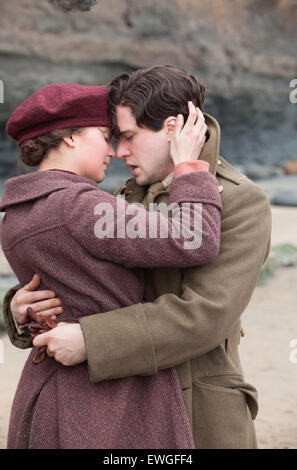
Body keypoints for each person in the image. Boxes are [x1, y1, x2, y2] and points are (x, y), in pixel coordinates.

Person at [3, 65, 272, 449]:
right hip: (118, 406)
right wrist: (19, 308)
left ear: (173, 129)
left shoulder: (240, 200)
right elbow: (86, 278)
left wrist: (92, 341)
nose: (118, 152)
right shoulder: (121, 197)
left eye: (128, 137)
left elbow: (204, 316)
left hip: (201, 411)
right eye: (112, 137)